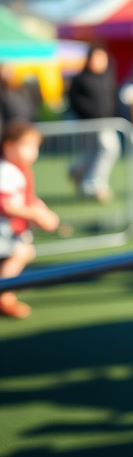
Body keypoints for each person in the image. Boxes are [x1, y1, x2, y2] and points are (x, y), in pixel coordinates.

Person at [0, 120, 59, 319]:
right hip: (4, 229)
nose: (32, 151)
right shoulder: (6, 171)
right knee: (22, 252)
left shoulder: (20, 170)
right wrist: (35, 214)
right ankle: (5, 296)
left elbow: (29, 199)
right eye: (26, 145)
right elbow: (6, 205)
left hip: (11, 229)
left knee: (24, 252)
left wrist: (42, 211)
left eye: (35, 146)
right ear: (8, 145)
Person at [67, 45, 120, 202]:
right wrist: (92, 114)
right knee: (107, 150)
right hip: (90, 123)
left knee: (98, 153)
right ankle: (93, 185)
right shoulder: (80, 79)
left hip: (107, 122)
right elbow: (75, 102)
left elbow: (111, 99)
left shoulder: (107, 77)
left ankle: (78, 171)